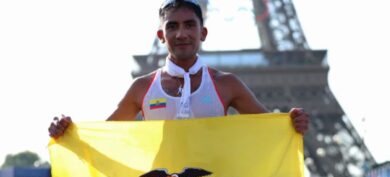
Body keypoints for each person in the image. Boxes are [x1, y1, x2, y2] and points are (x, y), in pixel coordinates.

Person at [48, 0, 309, 138]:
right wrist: (70, 133)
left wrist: (292, 122)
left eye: (189, 25)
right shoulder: (142, 88)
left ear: (203, 32)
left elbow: (271, 130)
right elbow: (104, 137)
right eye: (172, 26)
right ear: (161, 35)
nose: (181, 33)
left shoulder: (227, 84)